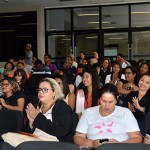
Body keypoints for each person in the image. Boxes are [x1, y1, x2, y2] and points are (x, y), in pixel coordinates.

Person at [74, 83, 142, 149]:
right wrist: (92, 143)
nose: (107, 106)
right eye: (104, 101)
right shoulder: (88, 112)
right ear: (99, 99)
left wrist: (120, 144)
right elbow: (78, 137)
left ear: (116, 99)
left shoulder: (125, 113)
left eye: (110, 102)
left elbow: (137, 138)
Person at [25, 77, 75, 143]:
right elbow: (29, 132)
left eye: (45, 90)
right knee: (7, 136)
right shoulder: (36, 106)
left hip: (52, 144)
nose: (40, 92)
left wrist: (37, 118)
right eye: (39, 89)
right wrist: (31, 124)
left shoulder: (62, 107)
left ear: (54, 92)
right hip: (34, 140)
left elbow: (62, 131)